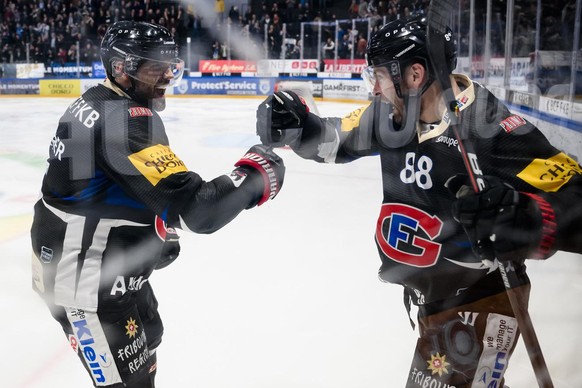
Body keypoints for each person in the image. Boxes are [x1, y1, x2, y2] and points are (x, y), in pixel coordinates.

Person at [256, 15, 582, 387]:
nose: (375, 90)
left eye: (378, 76)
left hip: (481, 301)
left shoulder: (491, 128)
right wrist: (297, 126)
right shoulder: (390, 118)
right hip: (433, 300)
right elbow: (333, 139)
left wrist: (528, 218)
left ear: (413, 75)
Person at [31, 21, 284, 388]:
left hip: (103, 270)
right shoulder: (122, 121)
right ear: (121, 68)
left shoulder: (98, 102)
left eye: (171, 65)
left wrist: (150, 228)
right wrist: (257, 172)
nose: (167, 76)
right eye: (155, 67)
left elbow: (99, 187)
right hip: (84, 284)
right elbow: (199, 211)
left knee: (148, 342)